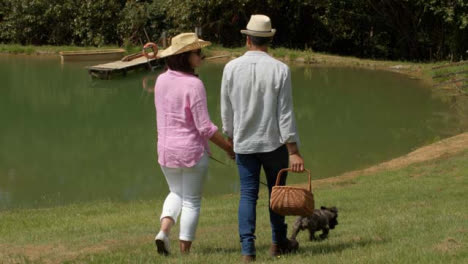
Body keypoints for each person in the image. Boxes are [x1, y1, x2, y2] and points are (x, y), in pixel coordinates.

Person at [220, 15, 305, 262]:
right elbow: (285, 113)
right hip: (274, 144)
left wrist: (231, 139)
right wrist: (293, 150)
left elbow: (226, 110)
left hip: (244, 144)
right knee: (276, 193)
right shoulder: (280, 69)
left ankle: (248, 250)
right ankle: (278, 244)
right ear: (269, 40)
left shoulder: (231, 68)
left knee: (248, 194)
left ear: (247, 39)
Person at [154, 32, 235, 255]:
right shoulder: (193, 84)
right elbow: (205, 128)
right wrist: (229, 148)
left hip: (166, 151)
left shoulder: (161, 80)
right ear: (186, 56)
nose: (202, 56)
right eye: (198, 52)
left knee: (175, 192)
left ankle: (163, 233)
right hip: (191, 152)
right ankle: (184, 252)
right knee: (191, 201)